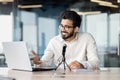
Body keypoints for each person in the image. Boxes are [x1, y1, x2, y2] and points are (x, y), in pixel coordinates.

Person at [32, 10, 99, 70]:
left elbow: (95, 62)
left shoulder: (87, 38)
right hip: (61, 77)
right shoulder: (54, 41)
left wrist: (82, 65)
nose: (63, 30)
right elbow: (45, 62)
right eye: (61, 26)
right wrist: (38, 62)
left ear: (76, 29)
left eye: (67, 27)